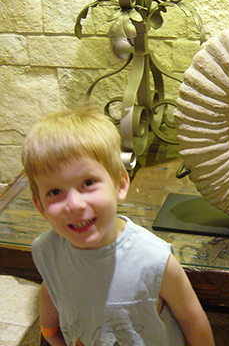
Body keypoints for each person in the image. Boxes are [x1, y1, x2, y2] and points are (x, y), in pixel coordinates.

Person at [22, 107, 215, 346]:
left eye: (88, 183)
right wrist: (49, 332)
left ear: (121, 184)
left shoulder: (154, 259)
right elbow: (53, 286)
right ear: (39, 205)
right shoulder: (47, 250)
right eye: (54, 192)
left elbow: (192, 319)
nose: (74, 204)